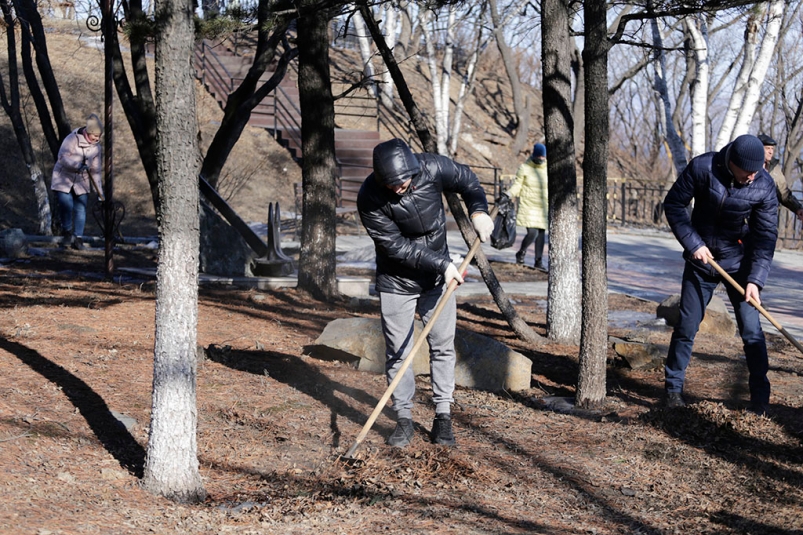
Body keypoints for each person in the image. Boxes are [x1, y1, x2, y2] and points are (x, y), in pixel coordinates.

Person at [357, 138, 493, 447]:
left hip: (437, 280)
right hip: (396, 279)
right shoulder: (369, 197)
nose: (399, 188)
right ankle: (403, 418)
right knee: (398, 351)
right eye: (392, 185)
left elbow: (468, 181)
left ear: (414, 170)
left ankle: (442, 417)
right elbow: (395, 247)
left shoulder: (431, 167)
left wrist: (479, 211)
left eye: (404, 181)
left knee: (443, 345)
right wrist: (443, 265)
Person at [663, 134, 778, 415]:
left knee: (752, 331)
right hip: (701, 261)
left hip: (741, 266)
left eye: (757, 171)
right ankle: (673, 391)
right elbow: (674, 205)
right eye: (747, 172)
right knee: (687, 327)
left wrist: (755, 280)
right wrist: (694, 244)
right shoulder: (703, 168)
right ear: (732, 163)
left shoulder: (763, 185)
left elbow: (764, 238)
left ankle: (760, 399)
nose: (752, 177)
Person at [51, 114, 104, 250]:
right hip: (63, 177)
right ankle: (67, 232)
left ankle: (78, 237)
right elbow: (62, 157)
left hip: (82, 180)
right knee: (66, 204)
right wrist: (77, 165)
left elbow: (95, 171)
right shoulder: (72, 139)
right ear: (88, 132)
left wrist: (100, 193)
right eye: (95, 136)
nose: (97, 139)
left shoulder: (96, 148)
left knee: (80, 208)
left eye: (99, 136)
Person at [507, 142, 548, 271]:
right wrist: (509, 194)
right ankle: (522, 251)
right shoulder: (525, 168)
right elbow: (518, 185)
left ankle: (538, 261)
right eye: (539, 157)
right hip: (528, 205)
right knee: (533, 233)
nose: (541, 159)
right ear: (534, 155)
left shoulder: (548, 169)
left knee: (541, 234)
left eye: (543, 157)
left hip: (543, 206)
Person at [757, 133, 803, 222]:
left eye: (772, 149)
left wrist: (798, 208)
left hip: (767, 216)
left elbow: (784, 193)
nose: (771, 152)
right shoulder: (748, 164)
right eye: (767, 148)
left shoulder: (775, 168)